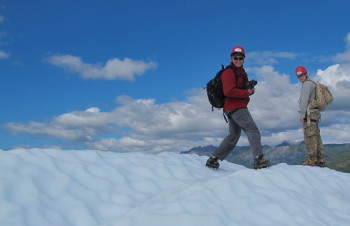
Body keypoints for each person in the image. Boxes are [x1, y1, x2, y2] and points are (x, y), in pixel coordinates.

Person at [206, 46, 271, 170]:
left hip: (231, 108)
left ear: (244, 59)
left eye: (240, 58)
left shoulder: (240, 72)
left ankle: (214, 159)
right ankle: (259, 159)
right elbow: (228, 91)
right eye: (235, 57)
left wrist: (248, 88)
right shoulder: (229, 72)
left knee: (233, 136)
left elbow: (237, 88)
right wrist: (247, 92)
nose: (238, 60)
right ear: (231, 58)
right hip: (236, 107)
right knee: (253, 130)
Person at [296, 66, 326, 167]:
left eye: (301, 75)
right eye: (298, 76)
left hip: (309, 114)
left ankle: (312, 160)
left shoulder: (306, 84)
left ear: (305, 74)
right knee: (316, 135)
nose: (300, 77)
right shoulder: (313, 83)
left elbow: (304, 100)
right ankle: (320, 159)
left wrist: (301, 115)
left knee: (309, 136)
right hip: (315, 113)